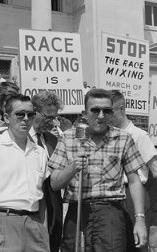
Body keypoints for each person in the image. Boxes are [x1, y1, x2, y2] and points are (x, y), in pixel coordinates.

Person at [48, 88, 147, 251]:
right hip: (77, 211)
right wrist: (72, 168)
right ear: (85, 113)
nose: (101, 116)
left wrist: (140, 219)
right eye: (95, 110)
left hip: (111, 213)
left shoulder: (123, 138)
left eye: (106, 111)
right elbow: (54, 183)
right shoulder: (68, 137)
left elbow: (135, 180)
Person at [107, 90, 157, 251]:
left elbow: (156, 171)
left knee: (137, 243)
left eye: (110, 111)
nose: (106, 116)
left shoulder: (140, 136)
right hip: (113, 194)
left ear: (121, 109)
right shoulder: (109, 134)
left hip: (133, 195)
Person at [0, 94, 49, 251]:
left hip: (34, 223)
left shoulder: (40, 152)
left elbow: (42, 196)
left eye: (30, 114)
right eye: (19, 114)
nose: (26, 119)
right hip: (2, 221)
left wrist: (43, 231)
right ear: (6, 117)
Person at [30, 91, 64, 252]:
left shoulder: (52, 140)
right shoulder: (16, 139)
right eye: (48, 117)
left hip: (53, 214)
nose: (53, 123)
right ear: (34, 111)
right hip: (30, 213)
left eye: (55, 117)